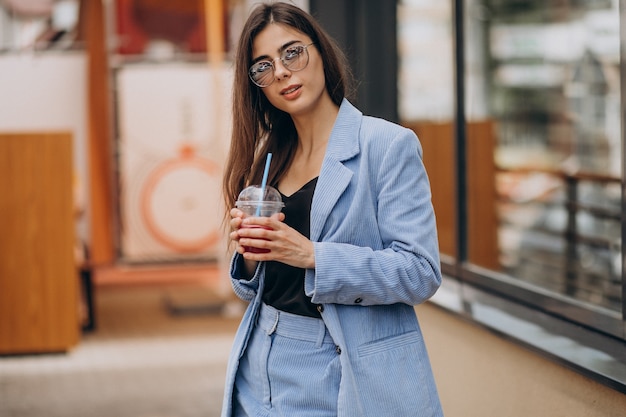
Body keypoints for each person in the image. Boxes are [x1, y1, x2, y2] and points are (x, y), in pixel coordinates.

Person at [221, 2, 443, 416]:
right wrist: (250, 258)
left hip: (339, 367)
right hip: (259, 361)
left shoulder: (386, 145)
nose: (283, 72)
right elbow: (255, 287)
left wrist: (311, 255)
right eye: (263, 66)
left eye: (292, 52)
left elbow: (420, 272)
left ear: (320, 51)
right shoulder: (271, 158)